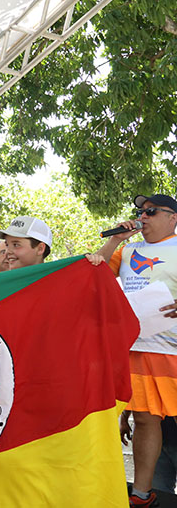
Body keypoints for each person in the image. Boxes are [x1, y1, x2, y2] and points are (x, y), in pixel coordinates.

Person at [94, 194, 177, 507]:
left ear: (173, 217)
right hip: (137, 346)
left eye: (151, 211)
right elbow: (96, 271)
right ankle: (141, 494)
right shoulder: (128, 248)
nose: (143, 216)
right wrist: (115, 240)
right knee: (145, 420)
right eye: (140, 212)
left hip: (173, 350)